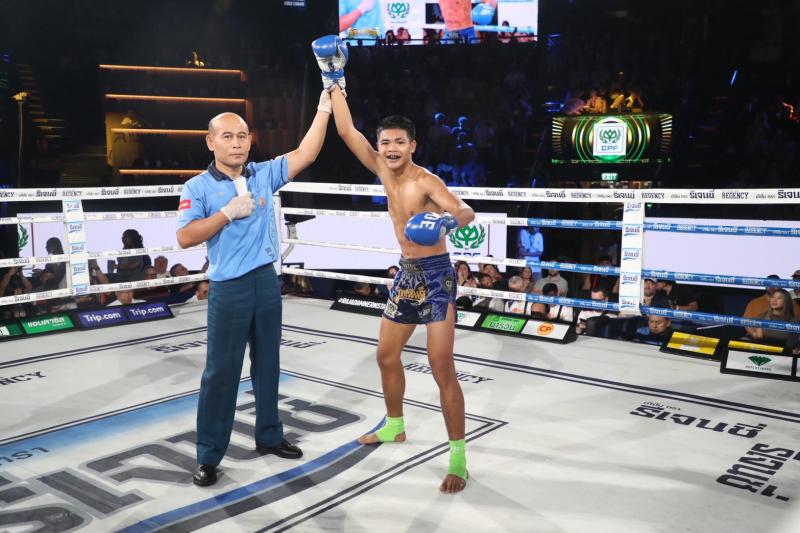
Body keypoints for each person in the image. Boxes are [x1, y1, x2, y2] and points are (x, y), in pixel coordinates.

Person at [323, 37, 474, 492]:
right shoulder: (381, 169)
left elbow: (465, 211)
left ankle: (458, 456)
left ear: (413, 145)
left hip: (437, 276)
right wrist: (334, 80)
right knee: (386, 356)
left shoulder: (427, 181)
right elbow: (346, 132)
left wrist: (445, 221)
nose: (390, 148)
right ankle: (395, 424)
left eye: (398, 142)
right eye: (385, 142)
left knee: (440, 365)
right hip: (406, 274)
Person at [176, 84, 331, 486]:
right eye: (227, 136)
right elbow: (186, 237)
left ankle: (270, 436)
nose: (237, 143)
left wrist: (324, 109)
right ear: (210, 142)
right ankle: (209, 455)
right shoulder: (197, 187)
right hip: (228, 288)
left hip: (265, 281)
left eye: (242, 135)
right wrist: (226, 213)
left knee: (268, 364)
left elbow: (306, 153)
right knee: (220, 373)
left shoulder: (262, 174)